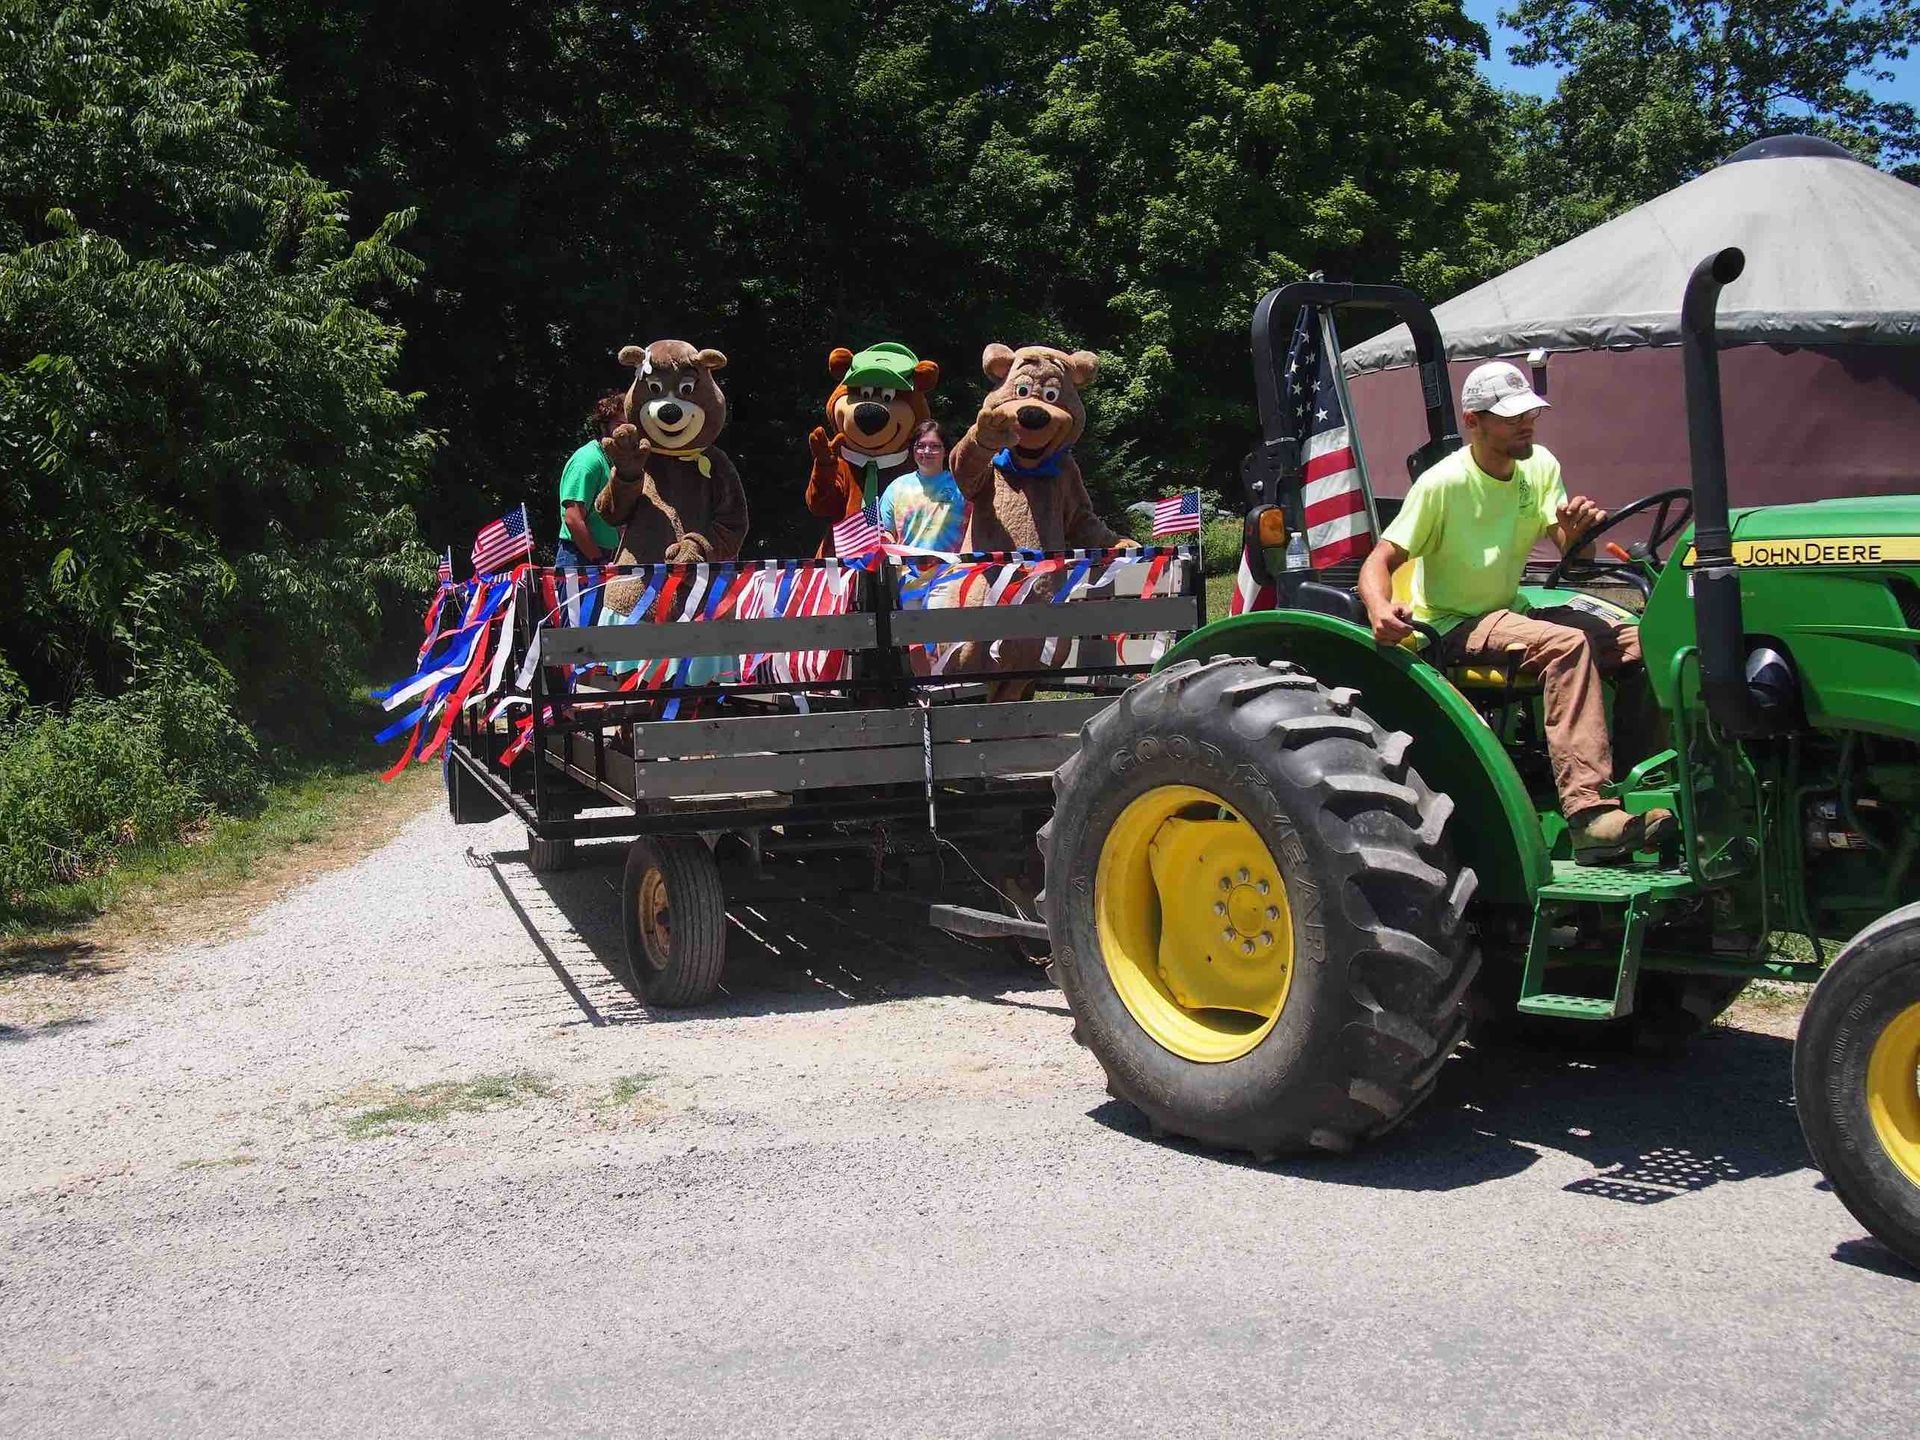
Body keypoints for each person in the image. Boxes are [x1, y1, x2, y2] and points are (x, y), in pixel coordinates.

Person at [1357, 360, 1673, 865]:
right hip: (1453, 620)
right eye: (1509, 417)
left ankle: (1640, 783)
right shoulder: (1444, 484)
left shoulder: (1540, 465)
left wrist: (1575, 532)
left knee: (1642, 639)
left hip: (1509, 608)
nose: (1525, 424)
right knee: (1567, 646)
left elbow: (1573, 555)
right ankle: (1588, 814)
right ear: (1474, 422)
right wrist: (1378, 608)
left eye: (1529, 413)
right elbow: (1379, 561)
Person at [554, 392, 625, 568]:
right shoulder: (588, 460)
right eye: (619, 425)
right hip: (580, 559)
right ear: (603, 426)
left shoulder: (614, 462)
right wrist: (598, 560)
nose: (625, 431)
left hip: (604, 558)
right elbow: (573, 518)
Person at [878, 419, 967, 551]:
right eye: (920, 446)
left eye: (934, 446)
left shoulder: (962, 486)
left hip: (954, 570)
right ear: (913, 450)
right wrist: (886, 539)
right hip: (907, 570)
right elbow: (885, 531)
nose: (927, 451)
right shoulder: (896, 487)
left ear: (946, 451)